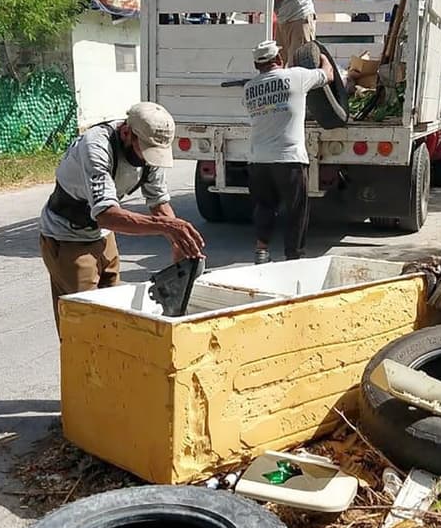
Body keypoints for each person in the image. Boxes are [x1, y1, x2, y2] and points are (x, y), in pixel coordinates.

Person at [38, 102, 205, 332]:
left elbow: (157, 201)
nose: (149, 158)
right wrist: (167, 226)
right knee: (87, 325)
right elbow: (106, 216)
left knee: (115, 318)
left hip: (104, 237)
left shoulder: (149, 148)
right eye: (145, 150)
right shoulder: (96, 146)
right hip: (68, 238)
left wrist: (178, 241)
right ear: (127, 133)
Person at [242, 40, 334, 264]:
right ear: (279, 60)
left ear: (257, 65)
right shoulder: (296, 76)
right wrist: (321, 54)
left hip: (258, 159)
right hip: (289, 159)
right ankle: (294, 257)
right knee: (296, 210)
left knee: (264, 206)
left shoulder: (248, 88)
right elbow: (328, 75)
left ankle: (261, 252)